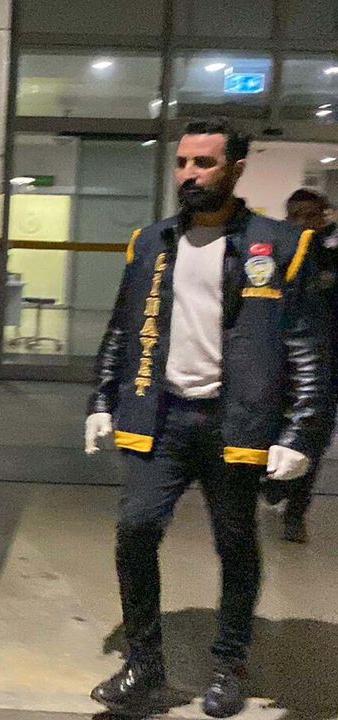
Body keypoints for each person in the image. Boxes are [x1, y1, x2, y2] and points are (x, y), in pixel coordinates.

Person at [85, 118, 331, 718]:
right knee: (135, 530)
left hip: (235, 421)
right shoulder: (152, 241)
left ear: (236, 168)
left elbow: (307, 346)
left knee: (236, 541)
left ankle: (229, 663)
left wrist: (301, 431)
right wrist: (101, 400)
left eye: (204, 163)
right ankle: (144, 664)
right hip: (161, 416)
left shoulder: (280, 245)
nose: (189, 175)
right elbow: (123, 328)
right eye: (183, 163)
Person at [262, 188, 338, 543]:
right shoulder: (278, 252)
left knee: (314, 436)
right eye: (296, 215)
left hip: (327, 366)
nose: (303, 222)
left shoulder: (332, 257)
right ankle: (275, 482)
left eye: (311, 215)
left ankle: (296, 512)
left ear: (324, 216)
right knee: (272, 428)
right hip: (280, 361)